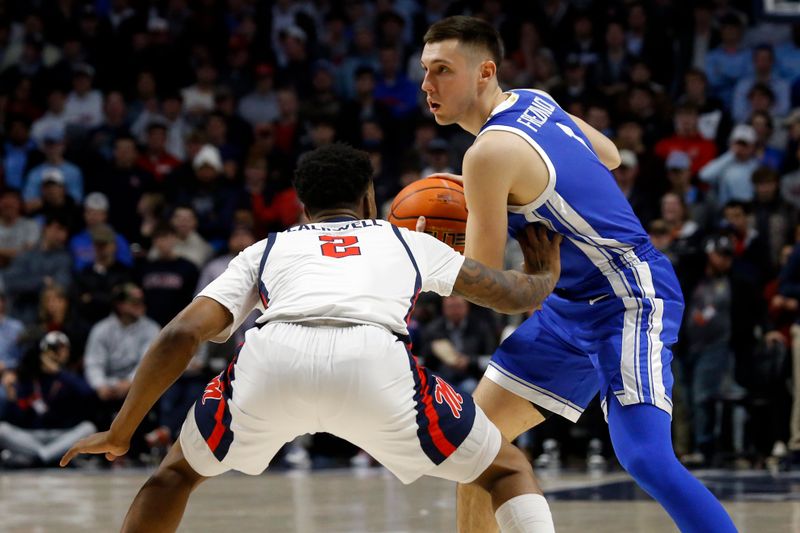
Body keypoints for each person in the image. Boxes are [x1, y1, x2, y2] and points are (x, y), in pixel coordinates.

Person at [61, 143, 562, 533]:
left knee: (174, 475)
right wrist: (543, 272)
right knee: (507, 471)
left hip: (272, 358)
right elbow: (510, 295)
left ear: (302, 207)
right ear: (370, 198)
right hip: (374, 364)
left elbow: (179, 335)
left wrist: (121, 430)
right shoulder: (403, 239)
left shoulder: (268, 247)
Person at [418, 16, 736, 533]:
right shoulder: (532, 99)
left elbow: (478, 282)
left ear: (484, 72)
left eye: (442, 70)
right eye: (425, 72)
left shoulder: (487, 154)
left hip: (627, 295)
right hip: (569, 303)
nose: (427, 86)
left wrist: (429, 237)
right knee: (475, 445)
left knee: (646, 459)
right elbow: (608, 155)